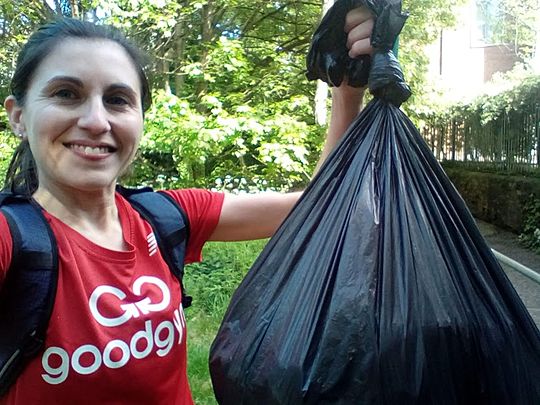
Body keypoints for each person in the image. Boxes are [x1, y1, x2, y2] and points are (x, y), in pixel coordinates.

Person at [0, 7, 374, 405]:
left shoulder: (165, 217)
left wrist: (346, 94)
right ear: (19, 117)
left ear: (141, 119)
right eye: (66, 94)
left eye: (117, 100)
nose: (95, 120)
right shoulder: (13, 240)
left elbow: (318, 207)